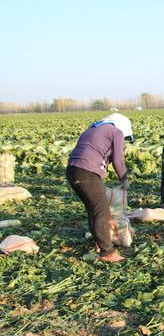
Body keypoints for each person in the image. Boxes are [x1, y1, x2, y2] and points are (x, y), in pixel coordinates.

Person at [66, 113, 134, 263]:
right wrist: (124, 179)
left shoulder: (93, 129)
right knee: (102, 212)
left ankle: (98, 244)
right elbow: (118, 160)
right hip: (87, 173)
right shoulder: (116, 132)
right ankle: (107, 252)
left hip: (72, 171)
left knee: (93, 210)